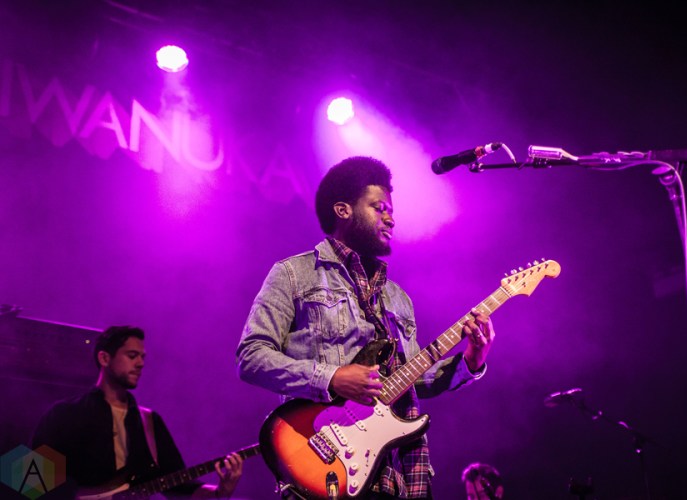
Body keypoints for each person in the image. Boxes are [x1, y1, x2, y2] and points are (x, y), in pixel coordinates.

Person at [236, 156, 495, 498]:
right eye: (379, 208)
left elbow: (414, 380)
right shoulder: (293, 274)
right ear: (343, 210)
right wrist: (332, 377)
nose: (391, 218)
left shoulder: (397, 298)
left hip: (396, 477)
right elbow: (251, 357)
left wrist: (471, 360)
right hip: (324, 469)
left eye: (391, 210)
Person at [32, 325, 243, 498]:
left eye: (142, 357)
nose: (141, 363)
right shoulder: (66, 414)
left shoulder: (149, 421)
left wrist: (220, 492)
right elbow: (29, 481)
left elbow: (179, 487)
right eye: (132, 356)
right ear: (104, 358)